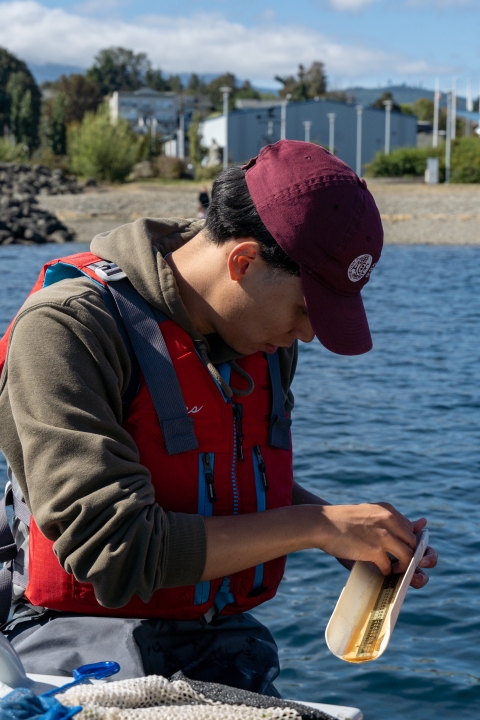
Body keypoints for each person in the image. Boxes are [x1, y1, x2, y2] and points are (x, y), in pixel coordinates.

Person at [0, 141, 437, 693]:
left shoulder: (264, 338)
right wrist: (319, 528)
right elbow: (115, 551)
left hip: (222, 641)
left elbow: (238, 480)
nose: (308, 334)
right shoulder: (65, 330)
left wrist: (355, 531)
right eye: (306, 309)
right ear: (243, 262)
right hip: (80, 647)